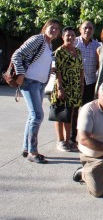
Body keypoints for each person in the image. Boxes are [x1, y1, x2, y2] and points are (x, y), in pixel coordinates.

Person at [12, 19, 60, 163]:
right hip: (30, 82)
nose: (54, 30)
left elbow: (39, 60)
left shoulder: (49, 44)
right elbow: (17, 55)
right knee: (37, 115)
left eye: (57, 29)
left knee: (33, 116)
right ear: (45, 27)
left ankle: (26, 148)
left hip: (39, 83)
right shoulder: (38, 39)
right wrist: (20, 75)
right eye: (52, 27)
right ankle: (33, 152)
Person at [50, 26, 84, 152]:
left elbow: (81, 68)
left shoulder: (77, 51)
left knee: (70, 114)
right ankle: (60, 141)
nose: (70, 38)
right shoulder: (59, 52)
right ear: (62, 37)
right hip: (63, 87)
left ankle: (68, 139)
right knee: (60, 113)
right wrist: (60, 88)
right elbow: (57, 70)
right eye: (67, 35)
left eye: (72, 35)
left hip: (74, 88)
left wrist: (81, 84)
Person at [74, 21, 100, 105]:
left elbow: (98, 63)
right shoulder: (74, 42)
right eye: (85, 28)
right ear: (80, 29)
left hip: (90, 81)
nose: (88, 30)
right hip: (75, 81)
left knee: (87, 107)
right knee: (74, 108)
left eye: (90, 28)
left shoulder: (97, 45)